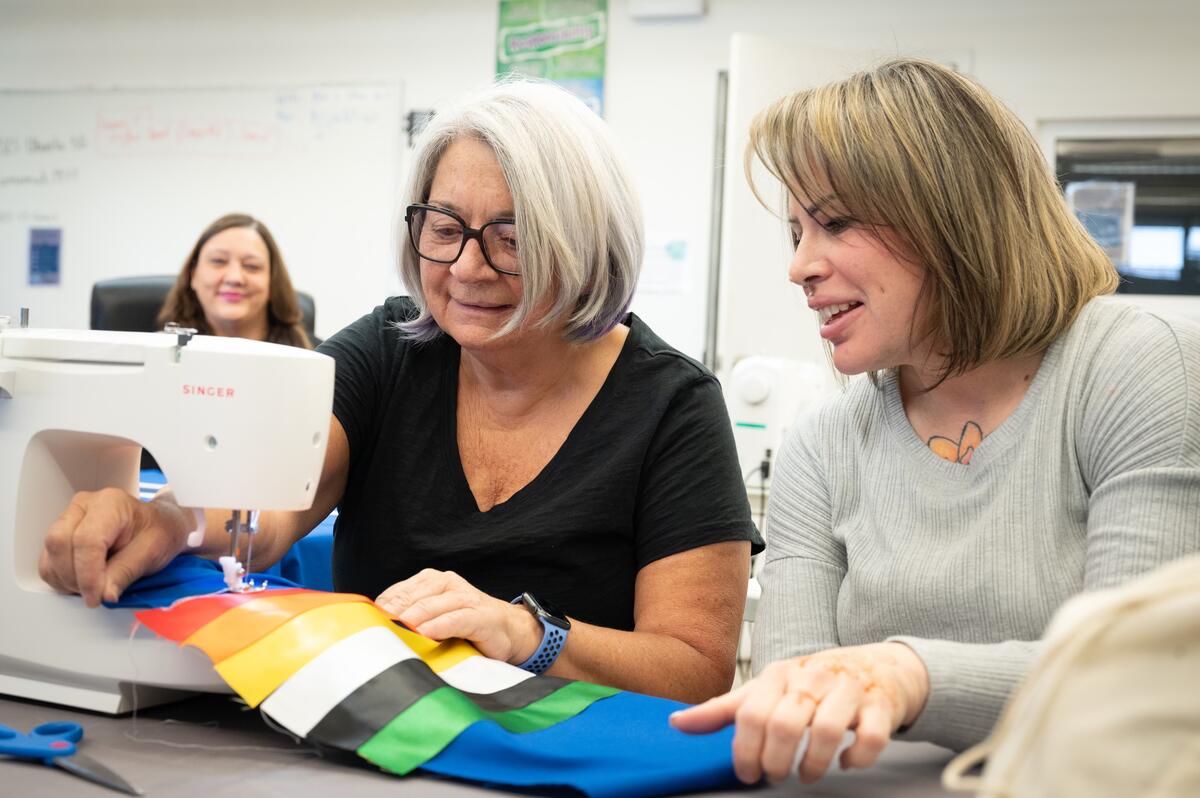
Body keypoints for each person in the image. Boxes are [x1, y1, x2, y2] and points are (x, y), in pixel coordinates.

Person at [40, 81, 761, 703]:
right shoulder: (390, 349)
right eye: (444, 228)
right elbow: (266, 511)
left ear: (586, 243)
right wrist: (166, 523)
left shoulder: (673, 405)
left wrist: (524, 634)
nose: (467, 268)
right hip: (377, 745)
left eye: (511, 238)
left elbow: (693, 669)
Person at [671, 57, 1200, 783]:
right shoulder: (821, 445)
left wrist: (910, 674)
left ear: (951, 215)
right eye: (796, 233)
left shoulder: (1135, 365)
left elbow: (1131, 678)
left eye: (835, 223)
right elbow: (796, 704)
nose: (799, 267)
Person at [157, 212, 313, 348]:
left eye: (251, 266)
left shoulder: (317, 359)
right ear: (193, 275)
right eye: (219, 261)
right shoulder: (153, 354)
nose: (234, 278)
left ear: (272, 282)